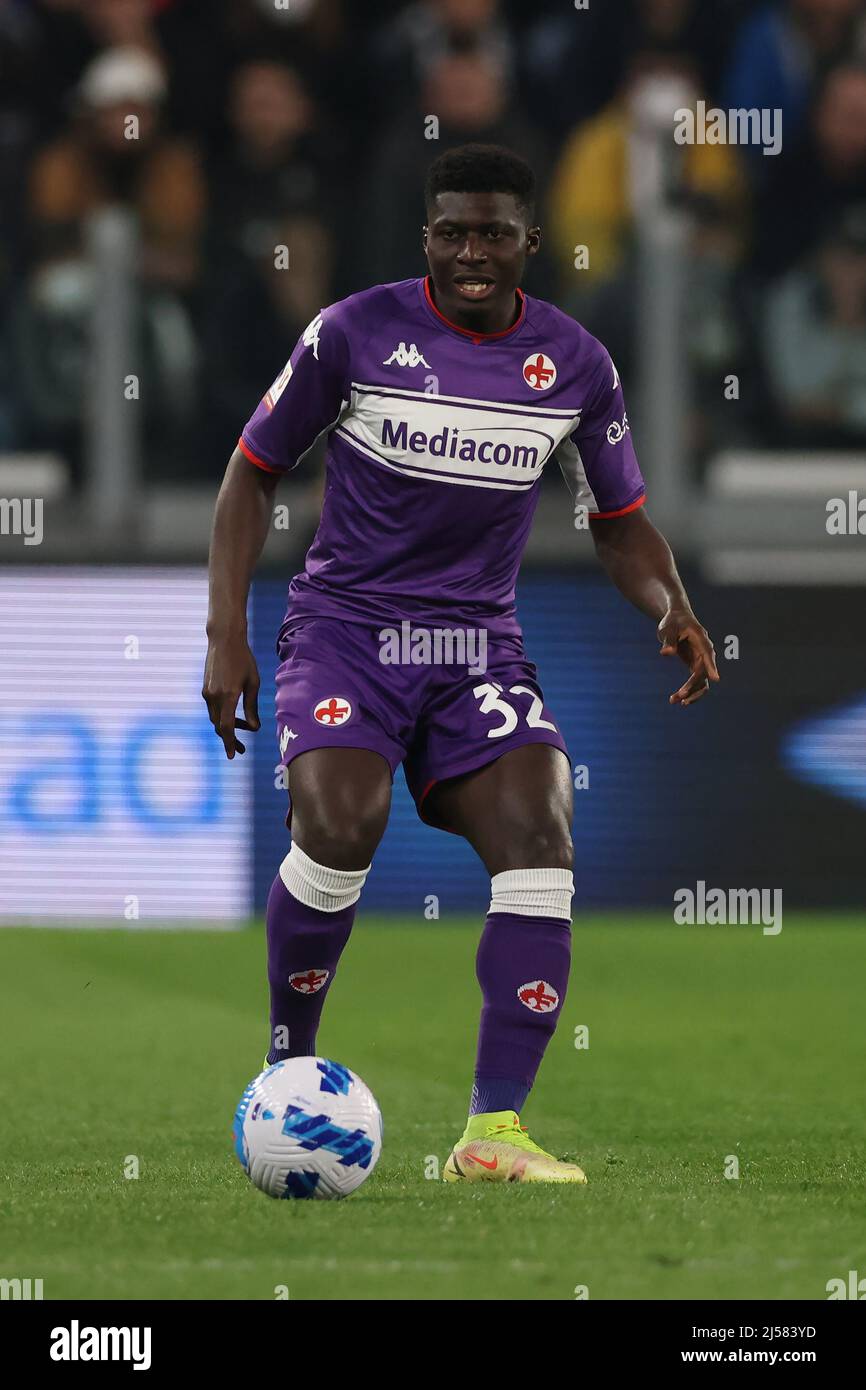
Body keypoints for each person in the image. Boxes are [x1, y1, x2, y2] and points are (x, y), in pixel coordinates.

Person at [202, 144, 718, 1186]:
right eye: (450, 232)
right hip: (347, 629)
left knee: (541, 831)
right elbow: (251, 475)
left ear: (529, 241)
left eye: (491, 233)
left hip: (473, 646)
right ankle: (288, 1069)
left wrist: (671, 606)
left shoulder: (575, 364)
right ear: (425, 237)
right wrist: (224, 633)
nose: (470, 253)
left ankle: (494, 1132)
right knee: (341, 825)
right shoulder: (350, 332)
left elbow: (620, 525)